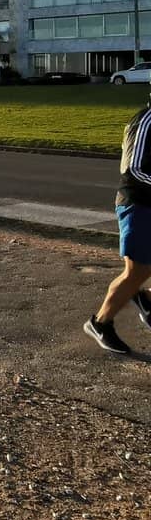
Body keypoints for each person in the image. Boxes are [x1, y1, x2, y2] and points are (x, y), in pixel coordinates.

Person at [84, 98, 151, 355]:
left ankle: (145, 299)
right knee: (137, 270)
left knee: (141, 270)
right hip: (138, 203)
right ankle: (100, 323)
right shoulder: (145, 120)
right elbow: (134, 169)